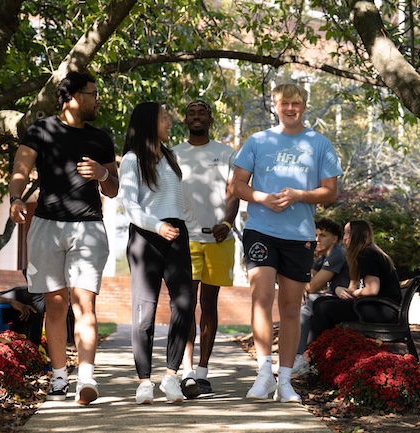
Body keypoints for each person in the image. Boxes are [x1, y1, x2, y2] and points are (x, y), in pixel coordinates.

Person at [8, 71, 119, 405]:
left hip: (88, 227)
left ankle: (86, 377)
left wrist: (102, 174)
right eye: (93, 93)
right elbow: (20, 169)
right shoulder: (41, 130)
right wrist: (15, 199)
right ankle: (59, 378)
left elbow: (113, 189)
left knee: (85, 303)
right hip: (46, 225)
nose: (98, 99)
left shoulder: (101, 138)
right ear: (72, 96)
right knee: (55, 306)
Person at [230, 83, 342, 403]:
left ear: (304, 106)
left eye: (296, 103)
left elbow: (330, 191)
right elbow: (237, 185)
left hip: (299, 235)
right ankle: (263, 373)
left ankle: (285, 381)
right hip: (261, 230)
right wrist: (262, 197)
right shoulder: (259, 141)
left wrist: (298, 195)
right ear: (275, 106)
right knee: (261, 297)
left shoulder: (319, 144)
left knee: (291, 307)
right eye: (284, 103)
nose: (290, 108)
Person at [119, 101, 194, 404]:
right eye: (165, 116)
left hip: (177, 234)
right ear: (150, 122)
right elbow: (130, 205)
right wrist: (156, 225)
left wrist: (178, 227)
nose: (169, 120)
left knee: (185, 304)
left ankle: (171, 376)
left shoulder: (171, 156)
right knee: (145, 310)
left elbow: (178, 201)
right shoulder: (131, 159)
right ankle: (144, 382)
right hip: (146, 237)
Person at [173, 100, 239, 398]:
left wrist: (227, 222)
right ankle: (186, 372)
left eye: (202, 112)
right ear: (184, 119)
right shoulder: (173, 154)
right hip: (184, 240)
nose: (196, 117)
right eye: (191, 113)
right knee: (185, 306)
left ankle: (202, 371)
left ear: (210, 118)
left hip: (219, 239)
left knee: (209, 305)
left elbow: (233, 192)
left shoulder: (225, 153)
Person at [309, 220, 402, 342]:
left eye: (348, 233)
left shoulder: (367, 254)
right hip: (371, 305)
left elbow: (372, 289)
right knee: (320, 301)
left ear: (358, 235)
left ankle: (312, 351)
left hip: (384, 310)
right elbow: (352, 288)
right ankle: (325, 349)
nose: (345, 238)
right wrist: (338, 289)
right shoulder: (358, 255)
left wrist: (353, 294)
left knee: (324, 308)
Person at [290, 218, 349, 376]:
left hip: (346, 302)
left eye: (322, 235)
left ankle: (302, 358)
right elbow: (307, 280)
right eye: (315, 235)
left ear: (334, 238)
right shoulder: (323, 257)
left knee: (307, 305)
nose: (317, 239)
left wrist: (305, 286)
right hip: (333, 299)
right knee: (305, 309)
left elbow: (312, 286)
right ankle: (300, 357)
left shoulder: (337, 254)